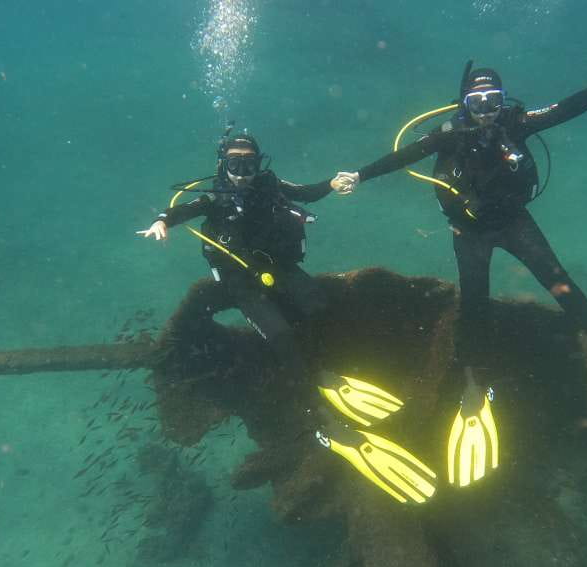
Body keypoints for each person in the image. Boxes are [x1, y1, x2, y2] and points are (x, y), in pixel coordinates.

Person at [330, 41, 587, 488]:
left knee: (557, 280)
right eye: (478, 104)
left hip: (515, 221)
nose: (486, 112)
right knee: (475, 305)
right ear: (466, 103)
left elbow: (569, 109)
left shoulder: (518, 122)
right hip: (470, 232)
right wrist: (358, 175)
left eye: (493, 102)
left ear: (503, 101)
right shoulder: (448, 135)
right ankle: (473, 384)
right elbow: (403, 157)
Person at [139, 128, 440, 504]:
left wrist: (332, 183)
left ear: (258, 163)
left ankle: (324, 371)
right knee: (279, 334)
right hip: (240, 281)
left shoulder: (270, 185)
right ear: (223, 164)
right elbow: (186, 210)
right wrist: (163, 221)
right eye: (235, 164)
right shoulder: (213, 197)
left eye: (249, 164)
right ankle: (315, 405)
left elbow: (307, 192)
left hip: (276, 266)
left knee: (317, 305)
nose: (243, 172)